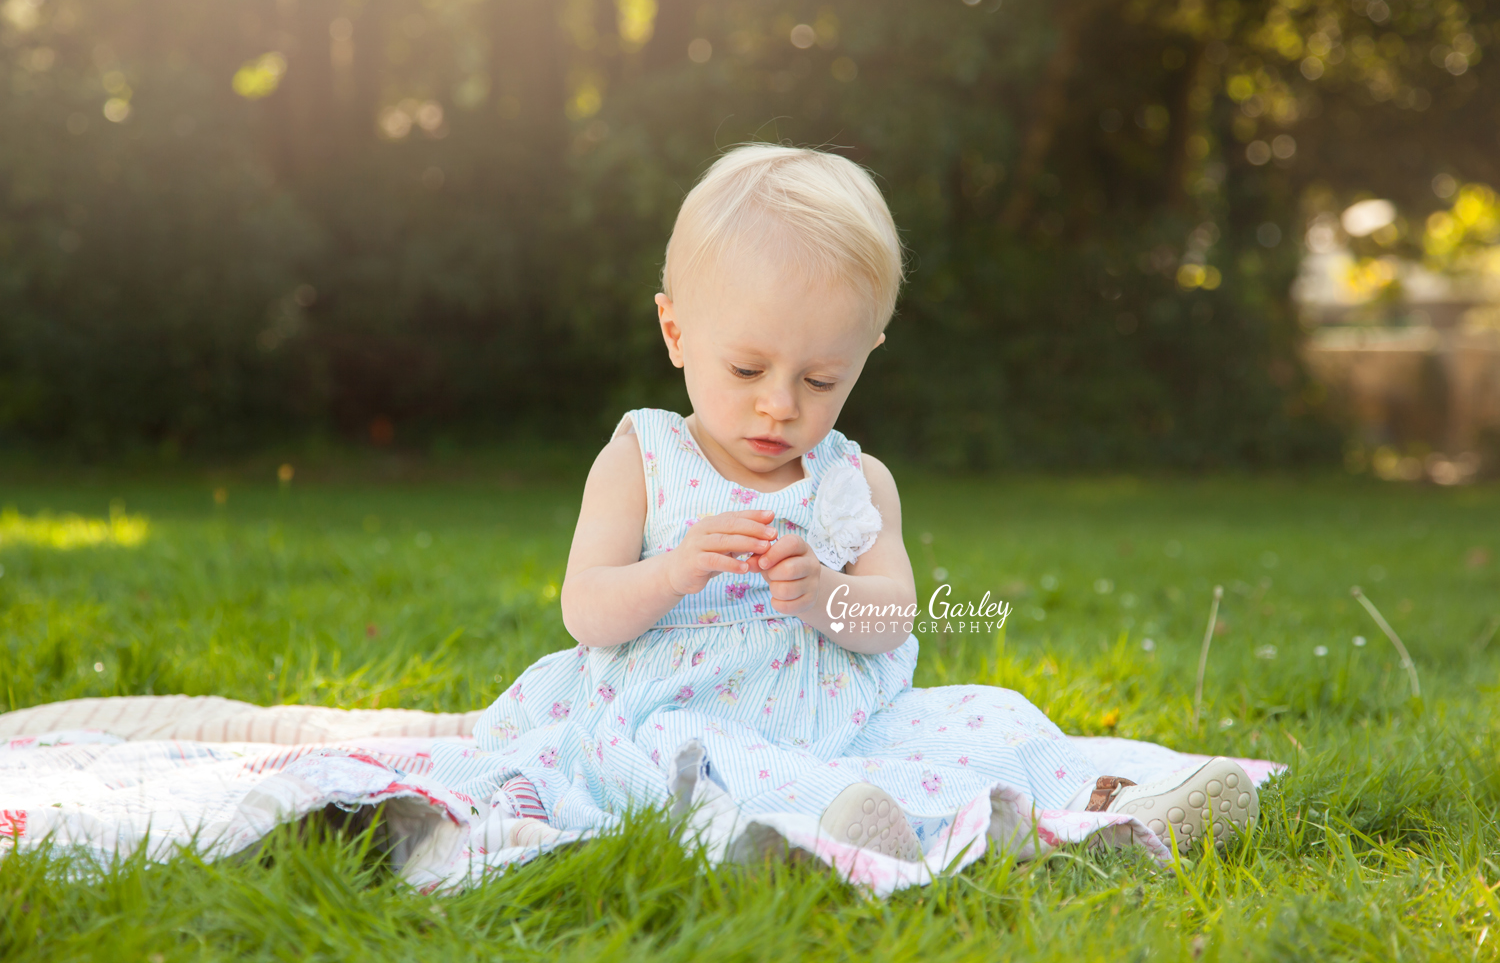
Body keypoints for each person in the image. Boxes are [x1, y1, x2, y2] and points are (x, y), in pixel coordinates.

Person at [432, 144, 1257, 859]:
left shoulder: (853, 481)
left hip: (842, 720)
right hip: (676, 709)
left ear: (867, 354)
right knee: (700, 759)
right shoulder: (641, 460)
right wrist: (675, 570)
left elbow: (892, 617)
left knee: (990, 720)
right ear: (676, 332)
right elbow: (586, 611)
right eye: (747, 370)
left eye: (820, 379)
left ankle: (1127, 801)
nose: (781, 405)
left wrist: (826, 596)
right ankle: (833, 830)